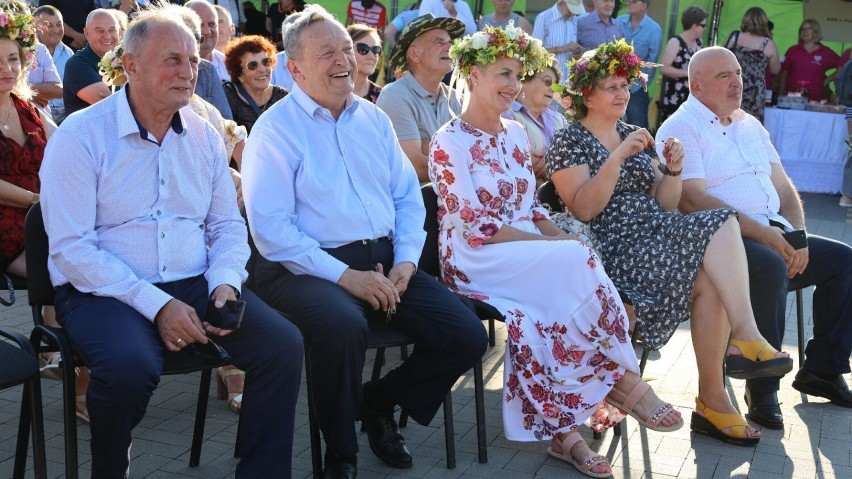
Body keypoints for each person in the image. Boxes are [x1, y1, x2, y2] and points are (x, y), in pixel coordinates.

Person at [39, 9, 303, 478]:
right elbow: (71, 249)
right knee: (128, 364)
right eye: (172, 60)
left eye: (194, 61)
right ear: (131, 64)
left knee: (282, 345)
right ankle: (109, 468)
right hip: (104, 292)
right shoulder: (80, 136)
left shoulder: (203, 133)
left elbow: (225, 223)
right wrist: (158, 306)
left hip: (196, 283)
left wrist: (225, 283)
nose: (187, 72)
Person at [241, 6, 488, 477]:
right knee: (340, 326)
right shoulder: (274, 130)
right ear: (294, 69)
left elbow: (408, 198)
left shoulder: (372, 120)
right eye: (327, 52)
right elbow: (271, 232)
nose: (344, 60)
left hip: (386, 261)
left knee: (466, 336)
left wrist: (408, 262)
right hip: (303, 268)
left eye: (346, 49)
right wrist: (344, 277)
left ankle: (377, 401)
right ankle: (340, 454)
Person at [432, 26, 682, 479]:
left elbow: (530, 207)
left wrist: (558, 239)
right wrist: (552, 245)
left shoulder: (513, 134)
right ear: (471, 73)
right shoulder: (448, 140)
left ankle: (566, 436)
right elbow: (475, 224)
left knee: (546, 305)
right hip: (475, 255)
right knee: (572, 260)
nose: (514, 85)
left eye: (517, 74)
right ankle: (623, 383)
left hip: (528, 252)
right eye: (502, 74)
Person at [547, 40, 794, 447]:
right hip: (615, 245)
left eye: (626, 86)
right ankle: (745, 339)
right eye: (611, 86)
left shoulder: (633, 132)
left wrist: (674, 171)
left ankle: (714, 400)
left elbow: (666, 202)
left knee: (715, 269)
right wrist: (617, 159)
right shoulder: (569, 140)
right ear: (586, 94)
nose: (623, 94)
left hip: (655, 234)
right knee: (720, 219)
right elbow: (586, 209)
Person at [658, 46, 852, 430]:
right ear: (696, 86)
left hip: (773, 229)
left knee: (845, 261)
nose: (737, 83)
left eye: (738, 74)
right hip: (720, 242)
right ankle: (762, 390)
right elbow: (692, 199)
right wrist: (765, 235)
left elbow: (783, 186)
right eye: (724, 76)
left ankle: (823, 371)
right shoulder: (682, 127)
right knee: (768, 264)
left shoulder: (749, 123)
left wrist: (796, 235)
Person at [377, 14, 465, 182]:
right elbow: (415, 167)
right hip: (416, 205)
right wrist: (459, 156)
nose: (450, 47)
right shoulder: (395, 96)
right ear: (415, 54)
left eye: (450, 42)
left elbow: (477, 151)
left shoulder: (457, 98)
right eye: (439, 42)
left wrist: (428, 146)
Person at [506, 58, 566, 183]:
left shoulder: (559, 119)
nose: (552, 89)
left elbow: (573, 155)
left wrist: (552, 160)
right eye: (547, 82)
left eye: (555, 85)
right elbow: (517, 158)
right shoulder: (508, 115)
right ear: (525, 81)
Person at [723, 7, 780, 122]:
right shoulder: (767, 44)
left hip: (731, 85)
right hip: (754, 93)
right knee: (749, 125)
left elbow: (719, 57)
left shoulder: (733, 37)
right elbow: (775, 70)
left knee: (726, 120)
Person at [223, 35, 288, 134]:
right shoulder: (228, 98)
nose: (262, 69)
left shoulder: (282, 97)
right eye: (252, 65)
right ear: (239, 74)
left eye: (266, 62)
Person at [61, 9, 119, 118]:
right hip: (88, 133)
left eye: (112, 30)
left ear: (119, 32)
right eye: (100, 30)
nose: (107, 36)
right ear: (87, 33)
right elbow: (110, 106)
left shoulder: (125, 58)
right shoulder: (77, 64)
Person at [614, 0, 660, 129]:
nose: (629, 3)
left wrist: (638, 85)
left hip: (637, 89)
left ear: (644, 5)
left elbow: (652, 62)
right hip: (614, 84)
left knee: (638, 128)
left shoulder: (654, 29)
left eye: (634, 1)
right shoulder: (618, 22)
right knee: (611, 125)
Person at [186, 0, 233, 120]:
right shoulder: (167, 67)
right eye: (200, 24)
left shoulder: (232, 65)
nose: (206, 31)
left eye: (212, 24)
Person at [658, 5, 705, 123]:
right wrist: (686, 73)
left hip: (693, 97)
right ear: (694, 26)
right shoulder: (675, 42)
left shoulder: (699, 42)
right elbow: (664, 68)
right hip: (675, 95)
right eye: (703, 25)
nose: (704, 29)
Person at [778, 19, 841, 102]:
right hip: (792, 100)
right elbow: (784, 74)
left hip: (815, 100)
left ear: (816, 33)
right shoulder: (792, 50)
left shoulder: (825, 52)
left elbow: (844, 67)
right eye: (802, 29)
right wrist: (780, 96)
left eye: (808, 29)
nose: (804, 31)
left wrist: (827, 80)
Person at [34, 5, 73, 123]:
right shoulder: (26, 52)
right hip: (38, 113)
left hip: (66, 115)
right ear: (35, 27)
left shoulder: (68, 53)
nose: (56, 30)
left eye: (59, 24)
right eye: (49, 25)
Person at [531, 0, 584, 80]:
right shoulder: (544, 18)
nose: (573, 13)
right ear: (561, 3)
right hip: (547, 78)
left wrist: (577, 52)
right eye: (571, 9)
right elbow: (534, 52)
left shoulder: (573, 19)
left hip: (567, 79)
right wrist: (565, 48)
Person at [347, 24, 382, 102]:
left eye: (375, 50)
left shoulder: (383, 97)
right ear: (346, 50)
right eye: (363, 49)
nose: (371, 56)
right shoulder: (327, 91)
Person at [212, 4, 236, 82]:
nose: (215, 27)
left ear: (232, 29)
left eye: (220, 22)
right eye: (211, 23)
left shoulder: (242, 60)